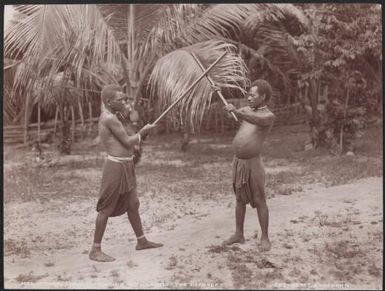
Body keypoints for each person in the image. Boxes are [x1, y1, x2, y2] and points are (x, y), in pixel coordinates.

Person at [89, 84, 163, 262]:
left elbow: (127, 141)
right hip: (115, 167)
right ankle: (95, 249)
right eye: (120, 99)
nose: (125, 101)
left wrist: (141, 135)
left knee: (133, 204)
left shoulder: (115, 117)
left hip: (126, 166)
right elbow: (128, 142)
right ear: (109, 102)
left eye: (125, 98)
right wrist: (142, 132)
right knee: (106, 208)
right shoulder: (109, 118)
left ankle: (141, 241)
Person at [223, 79, 276, 252]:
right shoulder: (245, 110)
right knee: (239, 199)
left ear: (263, 97)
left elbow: (253, 119)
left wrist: (237, 111)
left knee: (259, 199)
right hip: (239, 162)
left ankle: (265, 237)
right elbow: (236, 113)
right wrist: (222, 99)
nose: (249, 97)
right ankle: (239, 234)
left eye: (253, 95)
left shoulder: (267, 116)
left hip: (253, 163)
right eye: (249, 94)